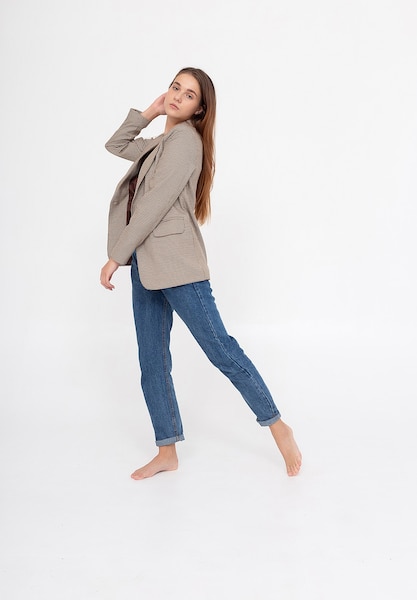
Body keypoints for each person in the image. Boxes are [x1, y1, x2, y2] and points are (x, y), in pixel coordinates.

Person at [100, 67, 302, 480]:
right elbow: (116, 145)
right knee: (152, 360)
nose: (176, 96)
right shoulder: (164, 140)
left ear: (199, 109)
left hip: (179, 267)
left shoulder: (185, 144)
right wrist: (152, 111)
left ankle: (277, 425)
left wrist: (115, 256)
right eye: (175, 88)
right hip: (146, 264)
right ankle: (167, 450)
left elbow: (152, 205)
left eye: (188, 95)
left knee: (221, 350)